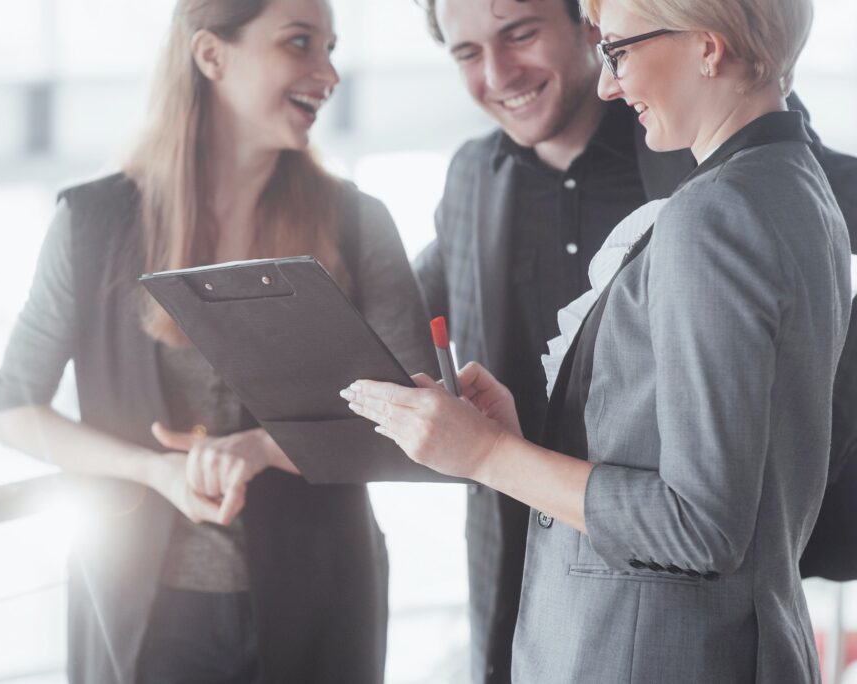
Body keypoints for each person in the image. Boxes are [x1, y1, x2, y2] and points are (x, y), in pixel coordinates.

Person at [348, 0, 852, 680]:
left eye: (616, 49)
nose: (609, 82)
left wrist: (491, 454)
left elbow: (700, 525)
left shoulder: (714, 213)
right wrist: (518, 442)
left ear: (708, 47)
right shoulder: (793, 184)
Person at [0, 1, 434, 682]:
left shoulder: (358, 223)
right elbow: (14, 410)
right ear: (210, 55)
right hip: (143, 609)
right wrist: (157, 471)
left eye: (331, 47)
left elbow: (422, 423)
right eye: (300, 43)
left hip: (321, 596)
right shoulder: (91, 222)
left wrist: (260, 449)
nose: (329, 73)